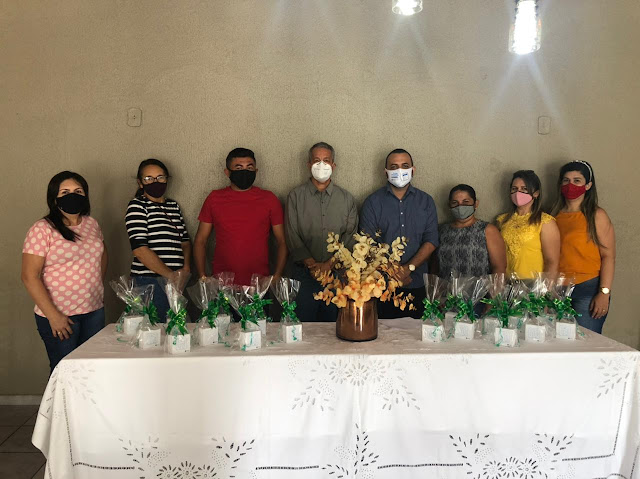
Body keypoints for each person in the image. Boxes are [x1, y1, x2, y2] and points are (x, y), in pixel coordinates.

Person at [22, 171, 107, 372]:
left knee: (90, 370)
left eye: (78, 191)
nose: (73, 195)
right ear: (54, 198)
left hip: (93, 311)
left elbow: (102, 253)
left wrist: (94, 284)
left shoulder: (91, 224)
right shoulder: (42, 229)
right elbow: (29, 276)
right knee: (65, 373)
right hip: (61, 316)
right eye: (65, 192)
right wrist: (53, 316)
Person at [359, 148, 439, 319]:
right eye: (394, 167)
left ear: (413, 170)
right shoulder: (373, 202)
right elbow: (367, 244)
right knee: (382, 334)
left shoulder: (426, 201)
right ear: (386, 172)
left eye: (405, 166)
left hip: (417, 284)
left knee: (417, 334)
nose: (400, 171)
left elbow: (431, 240)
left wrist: (407, 269)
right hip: (381, 286)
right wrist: (393, 273)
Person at [285, 142, 359, 322]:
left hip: (337, 275)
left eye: (326, 160)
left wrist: (329, 265)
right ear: (309, 164)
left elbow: (350, 236)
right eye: (316, 160)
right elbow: (291, 233)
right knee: (302, 327)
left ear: (333, 165)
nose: (321, 165)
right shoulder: (295, 196)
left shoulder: (347, 199)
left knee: (335, 327)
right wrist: (312, 265)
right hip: (303, 275)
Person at [194, 147, 287, 286]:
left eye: (249, 167)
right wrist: (202, 275)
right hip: (222, 283)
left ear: (256, 171)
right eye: (238, 168)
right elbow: (200, 240)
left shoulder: (269, 199)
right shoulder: (214, 198)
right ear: (227, 172)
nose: (245, 171)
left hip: (259, 284)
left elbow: (282, 241)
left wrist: (277, 275)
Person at [551, 160, 615, 333]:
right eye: (566, 180)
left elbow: (608, 256)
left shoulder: (596, 215)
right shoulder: (552, 215)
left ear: (588, 185)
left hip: (587, 289)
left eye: (577, 180)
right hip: (557, 290)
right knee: (556, 341)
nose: (570, 185)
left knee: (586, 341)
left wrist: (604, 293)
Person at [125, 159, 191, 321]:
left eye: (160, 177)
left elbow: (185, 242)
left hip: (176, 281)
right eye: (149, 178)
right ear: (140, 183)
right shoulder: (137, 206)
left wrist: (185, 269)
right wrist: (170, 275)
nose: (156, 182)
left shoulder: (173, 206)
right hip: (149, 281)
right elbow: (140, 250)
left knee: (174, 328)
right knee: (156, 330)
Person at [497, 170, 560, 279]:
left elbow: (552, 262)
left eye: (524, 189)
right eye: (514, 189)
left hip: (533, 284)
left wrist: (546, 287)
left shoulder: (545, 222)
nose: (518, 193)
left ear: (536, 193)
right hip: (507, 283)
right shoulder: (502, 220)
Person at [436, 184, 507, 278]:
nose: (460, 206)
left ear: (475, 204)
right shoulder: (442, 231)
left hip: (480, 287)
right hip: (447, 286)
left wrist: (496, 287)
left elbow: (499, 268)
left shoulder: (488, 230)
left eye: (465, 202)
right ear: (449, 205)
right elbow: (435, 267)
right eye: (455, 203)